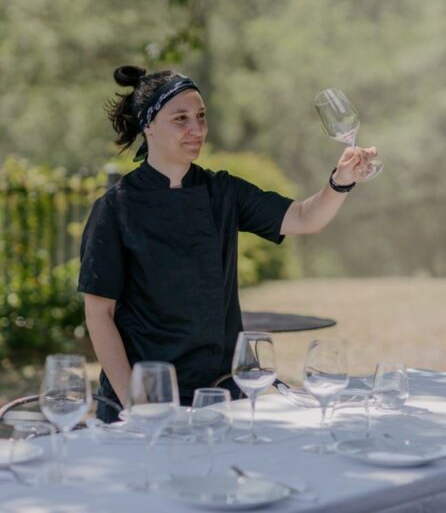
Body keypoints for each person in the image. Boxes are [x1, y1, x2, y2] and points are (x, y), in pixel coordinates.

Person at [79, 65, 378, 422]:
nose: (197, 129)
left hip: (221, 394)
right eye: (181, 118)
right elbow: (99, 315)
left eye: (201, 116)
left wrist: (341, 180)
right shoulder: (115, 208)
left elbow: (304, 218)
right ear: (148, 125)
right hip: (146, 400)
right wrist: (134, 401)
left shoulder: (222, 191)